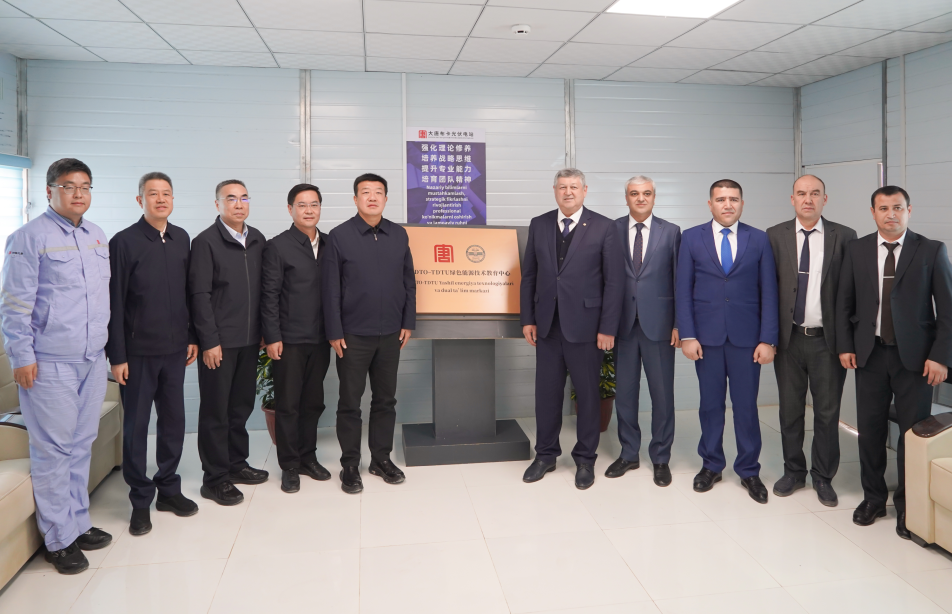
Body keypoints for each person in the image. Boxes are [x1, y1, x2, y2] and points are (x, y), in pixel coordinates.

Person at [0, 158, 112, 574]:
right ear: (49, 191)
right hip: (49, 364)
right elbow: (14, 303)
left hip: (92, 360)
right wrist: (22, 357)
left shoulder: (96, 235)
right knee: (53, 450)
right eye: (69, 186)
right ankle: (58, 539)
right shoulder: (28, 237)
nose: (78, 193)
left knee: (81, 444)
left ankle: (77, 522)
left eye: (85, 186)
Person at [836, 186, 951, 539]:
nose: (891, 214)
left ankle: (907, 506)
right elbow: (844, 302)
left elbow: (948, 311)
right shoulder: (856, 249)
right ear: (872, 212)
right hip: (869, 354)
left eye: (897, 207)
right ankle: (873, 498)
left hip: (915, 360)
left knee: (912, 433)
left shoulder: (931, 250)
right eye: (883, 208)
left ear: (909, 211)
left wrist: (940, 356)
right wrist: (845, 345)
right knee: (869, 430)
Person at [106, 172, 200, 536]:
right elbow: (114, 302)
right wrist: (117, 356)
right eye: (153, 194)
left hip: (175, 351)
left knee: (174, 421)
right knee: (136, 428)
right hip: (138, 354)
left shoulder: (181, 238)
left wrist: (191, 336)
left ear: (173, 199)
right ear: (139, 200)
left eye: (166, 194)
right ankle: (140, 500)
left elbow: (188, 293)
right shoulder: (123, 242)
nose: (161, 199)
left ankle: (169, 490)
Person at [676, 179, 779, 504]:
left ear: (742, 204)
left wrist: (768, 339)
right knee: (710, 406)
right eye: (721, 199)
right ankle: (711, 465)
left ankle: (748, 470)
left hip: (747, 340)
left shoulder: (759, 239)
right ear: (710, 204)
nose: (728, 204)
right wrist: (688, 335)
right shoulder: (691, 237)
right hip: (706, 339)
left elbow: (769, 292)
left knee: (746, 407)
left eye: (733, 199)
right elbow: (683, 290)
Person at [520, 168, 623, 490]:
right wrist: (528, 318)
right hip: (547, 326)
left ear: (585, 190)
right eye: (562, 187)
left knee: (589, 395)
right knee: (546, 395)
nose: (568, 192)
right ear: (555, 190)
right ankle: (545, 455)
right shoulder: (539, 224)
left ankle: (585, 459)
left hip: (588, 328)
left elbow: (614, 282)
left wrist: (607, 327)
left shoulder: (605, 226)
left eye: (574, 187)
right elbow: (529, 276)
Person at [766, 175, 856, 507]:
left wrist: (847, 343)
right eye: (802, 193)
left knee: (827, 414)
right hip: (788, 340)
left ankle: (822, 476)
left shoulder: (844, 236)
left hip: (827, 342)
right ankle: (793, 471)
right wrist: (767, 337)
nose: (808, 199)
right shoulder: (774, 235)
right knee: (790, 412)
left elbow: (851, 293)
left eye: (815, 193)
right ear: (792, 199)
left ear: (824, 199)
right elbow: (767, 289)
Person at [323, 173, 415, 494]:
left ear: (386, 199)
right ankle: (350, 464)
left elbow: (408, 281)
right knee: (350, 402)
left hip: (391, 333)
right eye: (366, 192)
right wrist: (334, 330)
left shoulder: (398, 234)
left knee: (385, 400)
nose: (372, 197)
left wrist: (407, 322)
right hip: (352, 335)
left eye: (378, 192)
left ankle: (381, 459)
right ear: (355, 199)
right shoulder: (339, 236)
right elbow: (330, 288)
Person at [189, 179, 269, 506]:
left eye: (244, 198)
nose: (239, 204)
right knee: (216, 412)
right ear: (217, 204)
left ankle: (236, 464)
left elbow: (265, 290)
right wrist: (209, 341)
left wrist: (263, 331)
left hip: (249, 341)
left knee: (240, 407)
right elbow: (199, 295)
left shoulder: (258, 239)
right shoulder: (205, 242)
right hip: (219, 344)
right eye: (231, 198)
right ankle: (214, 479)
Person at [608, 175, 681, 487]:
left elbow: (679, 280)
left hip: (660, 326)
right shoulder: (611, 230)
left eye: (646, 193)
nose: (640, 198)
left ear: (654, 197)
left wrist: (679, 324)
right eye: (634, 193)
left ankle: (661, 457)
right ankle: (629, 453)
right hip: (622, 325)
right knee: (625, 395)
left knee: (662, 396)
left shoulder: (671, 232)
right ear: (626, 197)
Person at [261, 184, 332, 494]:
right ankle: (289, 465)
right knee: (288, 404)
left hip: (321, 338)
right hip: (288, 340)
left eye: (314, 204)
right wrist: (272, 336)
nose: (308, 210)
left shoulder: (330, 244)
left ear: (320, 208)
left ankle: (308, 458)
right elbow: (269, 295)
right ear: (290, 209)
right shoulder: (278, 246)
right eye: (302, 205)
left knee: (313, 402)